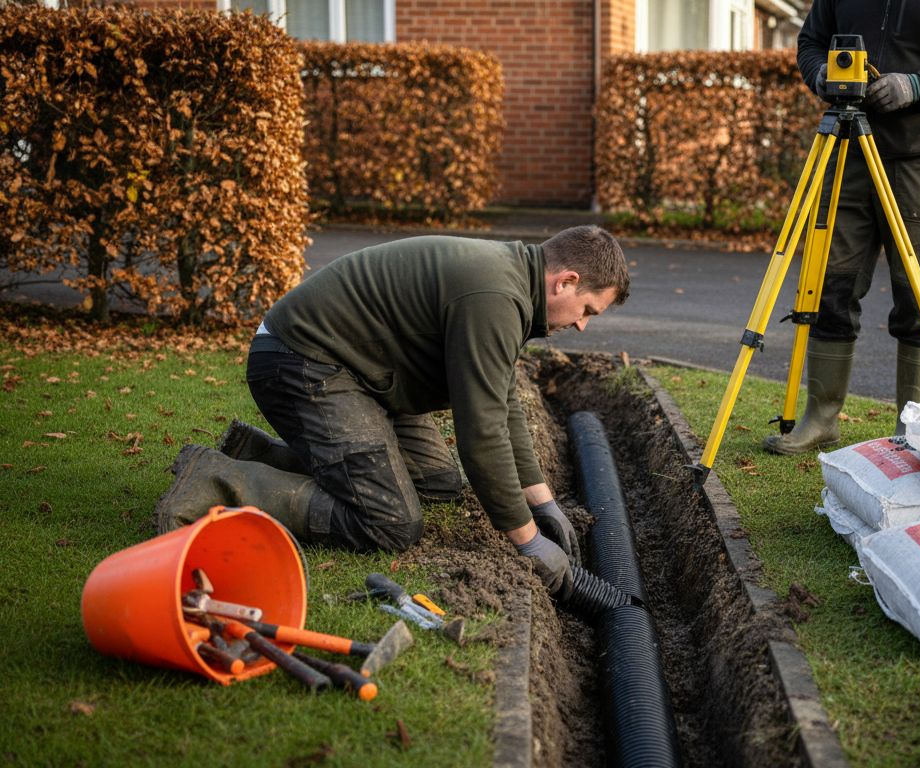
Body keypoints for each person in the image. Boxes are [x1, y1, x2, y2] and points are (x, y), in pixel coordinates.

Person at [155, 226, 630, 599]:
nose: (583, 326)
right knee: (390, 522)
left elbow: (502, 401)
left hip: (362, 372)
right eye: (587, 308)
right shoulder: (496, 297)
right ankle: (214, 479)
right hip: (304, 362)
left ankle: (258, 453)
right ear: (565, 280)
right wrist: (526, 539)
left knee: (438, 483)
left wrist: (541, 501)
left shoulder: (511, 285)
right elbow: (481, 432)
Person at [766, 0, 920, 454]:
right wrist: (821, 74)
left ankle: (911, 431)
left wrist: (918, 85)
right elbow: (811, 41)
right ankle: (821, 419)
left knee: (919, 299)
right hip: (846, 152)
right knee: (828, 288)